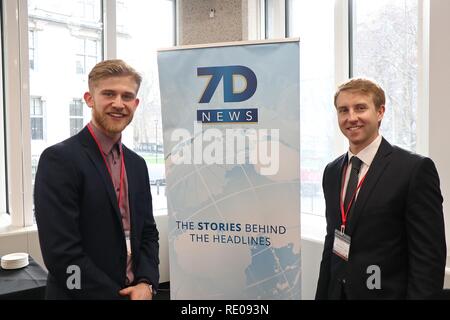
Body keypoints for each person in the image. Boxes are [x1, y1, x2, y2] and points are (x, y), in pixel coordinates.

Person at [34, 59, 159, 300]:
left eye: (127, 96)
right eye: (109, 94)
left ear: (136, 103)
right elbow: (62, 257)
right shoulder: (59, 160)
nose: (119, 104)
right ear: (89, 98)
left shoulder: (137, 165)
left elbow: (148, 233)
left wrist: (146, 282)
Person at [315, 78, 446, 299]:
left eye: (360, 108)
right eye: (343, 110)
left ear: (380, 112)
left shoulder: (414, 170)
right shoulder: (332, 171)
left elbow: (428, 258)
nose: (351, 117)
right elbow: (333, 241)